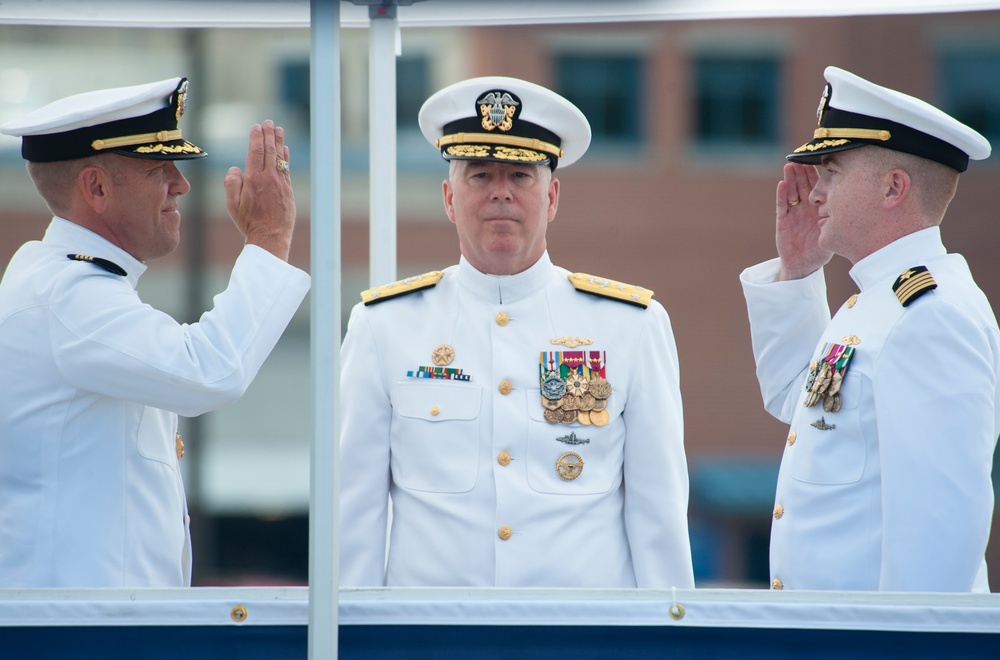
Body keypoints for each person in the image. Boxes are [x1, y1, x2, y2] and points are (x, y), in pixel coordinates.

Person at [338, 76, 694, 588]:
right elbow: (355, 513)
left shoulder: (631, 326)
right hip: (432, 637)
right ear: (447, 197)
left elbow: (659, 515)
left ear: (551, 197)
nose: (500, 192)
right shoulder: (384, 326)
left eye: (521, 176)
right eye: (480, 174)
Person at [0, 77, 311, 587]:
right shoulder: (68, 292)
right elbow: (210, 371)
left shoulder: (72, 282)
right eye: (158, 168)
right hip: (76, 633)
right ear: (96, 188)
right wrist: (269, 238)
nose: (182, 184)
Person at [740, 66, 997, 592]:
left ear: (893, 188)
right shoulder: (880, 302)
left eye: (831, 173)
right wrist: (798, 271)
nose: (814, 194)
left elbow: (937, 538)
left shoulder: (930, 313)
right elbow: (799, 403)